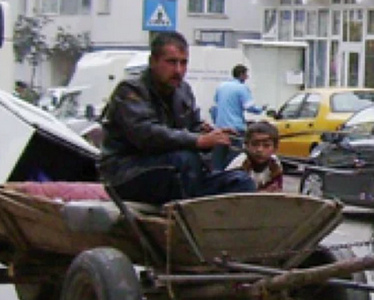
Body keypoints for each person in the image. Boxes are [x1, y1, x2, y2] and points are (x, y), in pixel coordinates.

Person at [98, 31, 256, 205]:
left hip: (178, 172)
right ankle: (191, 221)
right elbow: (146, 134)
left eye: (183, 63)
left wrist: (214, 135)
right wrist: (198, 140)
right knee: (184, 159)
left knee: (241, 181)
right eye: (171, 62)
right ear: (153, 62)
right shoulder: (131, 90)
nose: (178, 70)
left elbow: (194, 128)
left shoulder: (183, 91)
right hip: (128, 172)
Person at [210, 64, 263, 170]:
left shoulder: (222, 86)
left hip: (220, 129)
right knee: (234, 161)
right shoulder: (242, 88)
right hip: (236, 129)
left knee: (218, 160)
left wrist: (217, 123)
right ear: (241, 74)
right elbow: (249, 107)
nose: (247, 77)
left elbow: (214, 107)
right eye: (246, 74)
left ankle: (216, 180)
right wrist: (261, 109)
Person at [226, 121, 283, 192]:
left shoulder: (275, 163)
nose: (260, 150)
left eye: (266, 145)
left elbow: (277, 189)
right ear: (246, 145)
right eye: (255, 144)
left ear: (275, 148)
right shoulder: (239, 165)